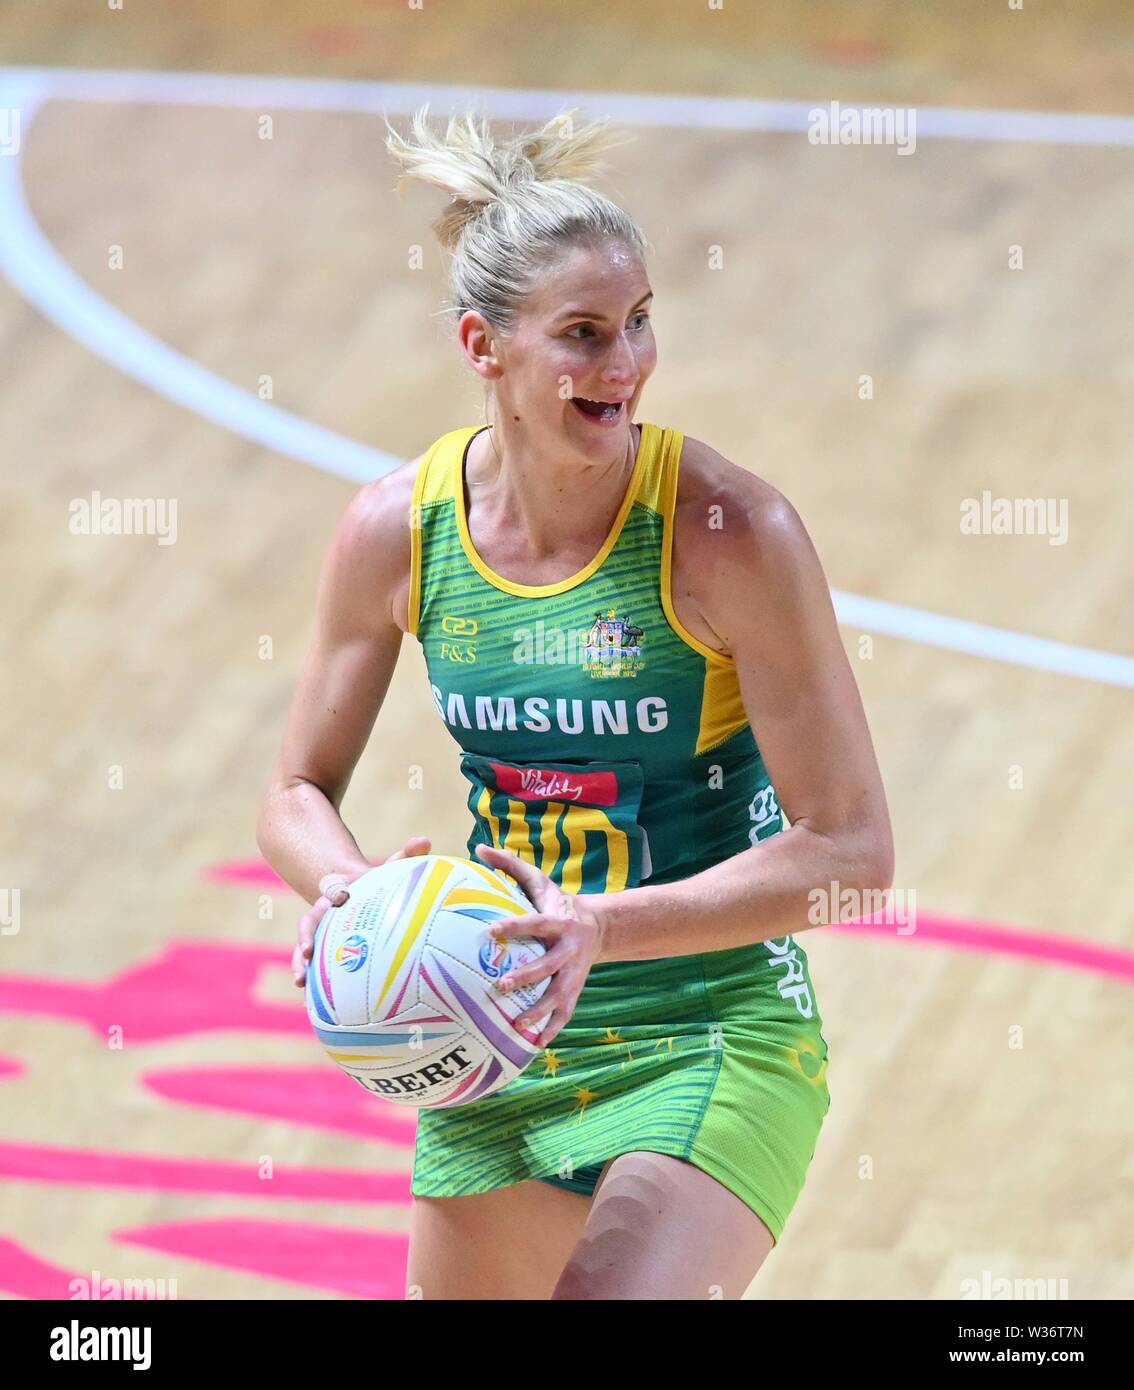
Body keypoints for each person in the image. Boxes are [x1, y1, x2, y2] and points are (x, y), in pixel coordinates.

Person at [256, 107, 893, 1300]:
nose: (626, 364)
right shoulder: (400, 529)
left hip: (709, 1021)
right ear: (482, 346)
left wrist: (604, 929)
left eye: (641, 323)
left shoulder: (728, 532)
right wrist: (351, 895)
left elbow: (853, 853)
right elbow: (295, 792)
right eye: (585, 334)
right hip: (491, 1033)